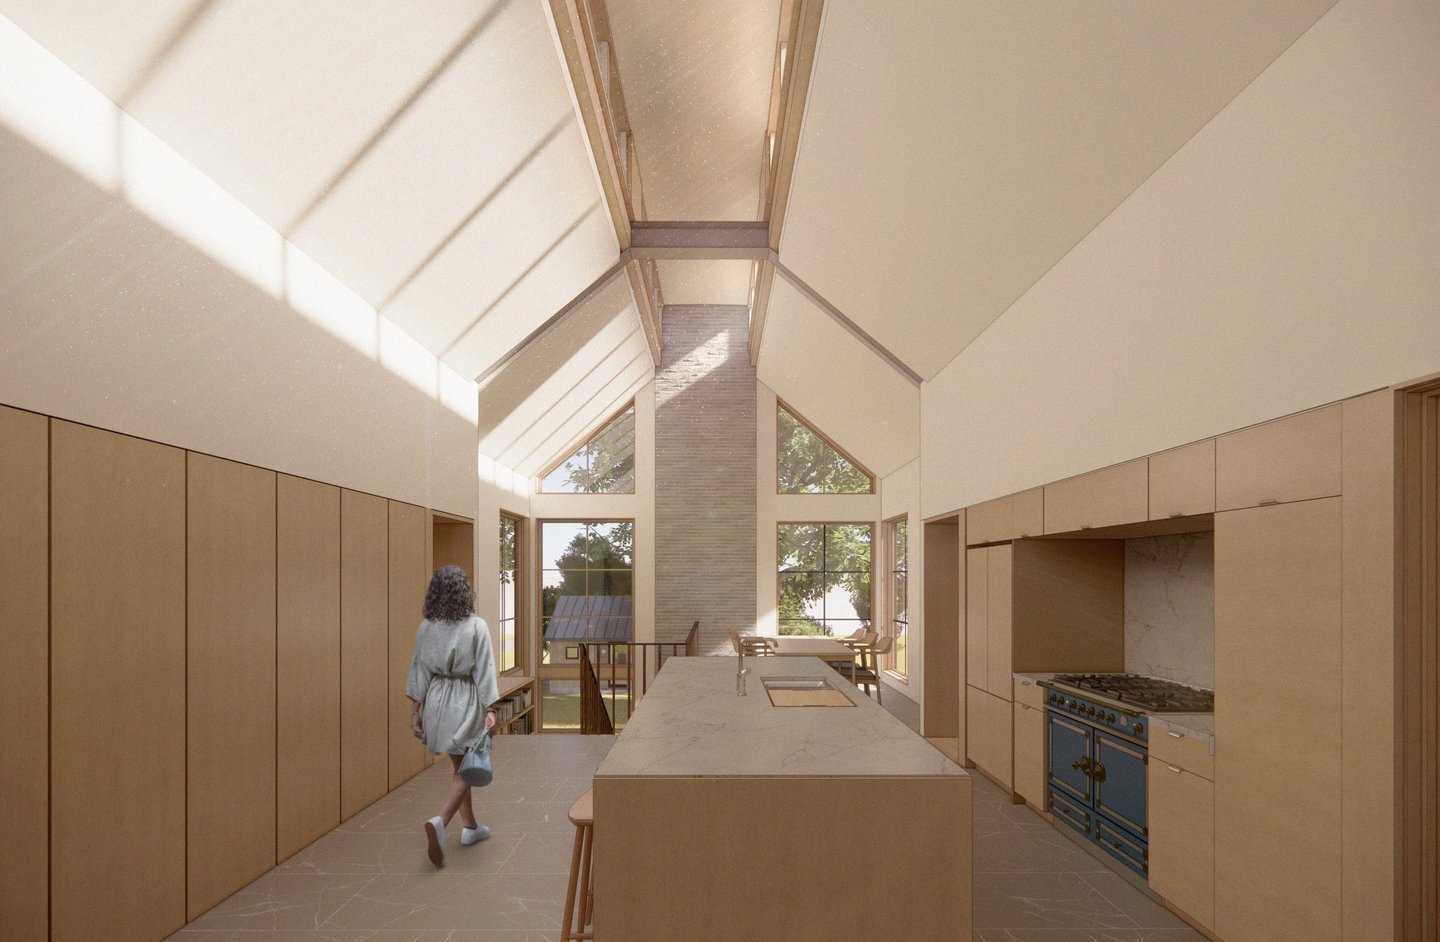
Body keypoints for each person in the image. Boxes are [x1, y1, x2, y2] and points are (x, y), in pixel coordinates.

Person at [406, 565, 500, 868]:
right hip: (464, 699)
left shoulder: (427, 626)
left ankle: (471, 828)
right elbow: (483, 668)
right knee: (466, 768)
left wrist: (415, 713)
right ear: (464, 592)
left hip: (435, 701)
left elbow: (418, 668)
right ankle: (440, 821)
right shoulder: (476, 626)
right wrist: (490, 708)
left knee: (461, 765)